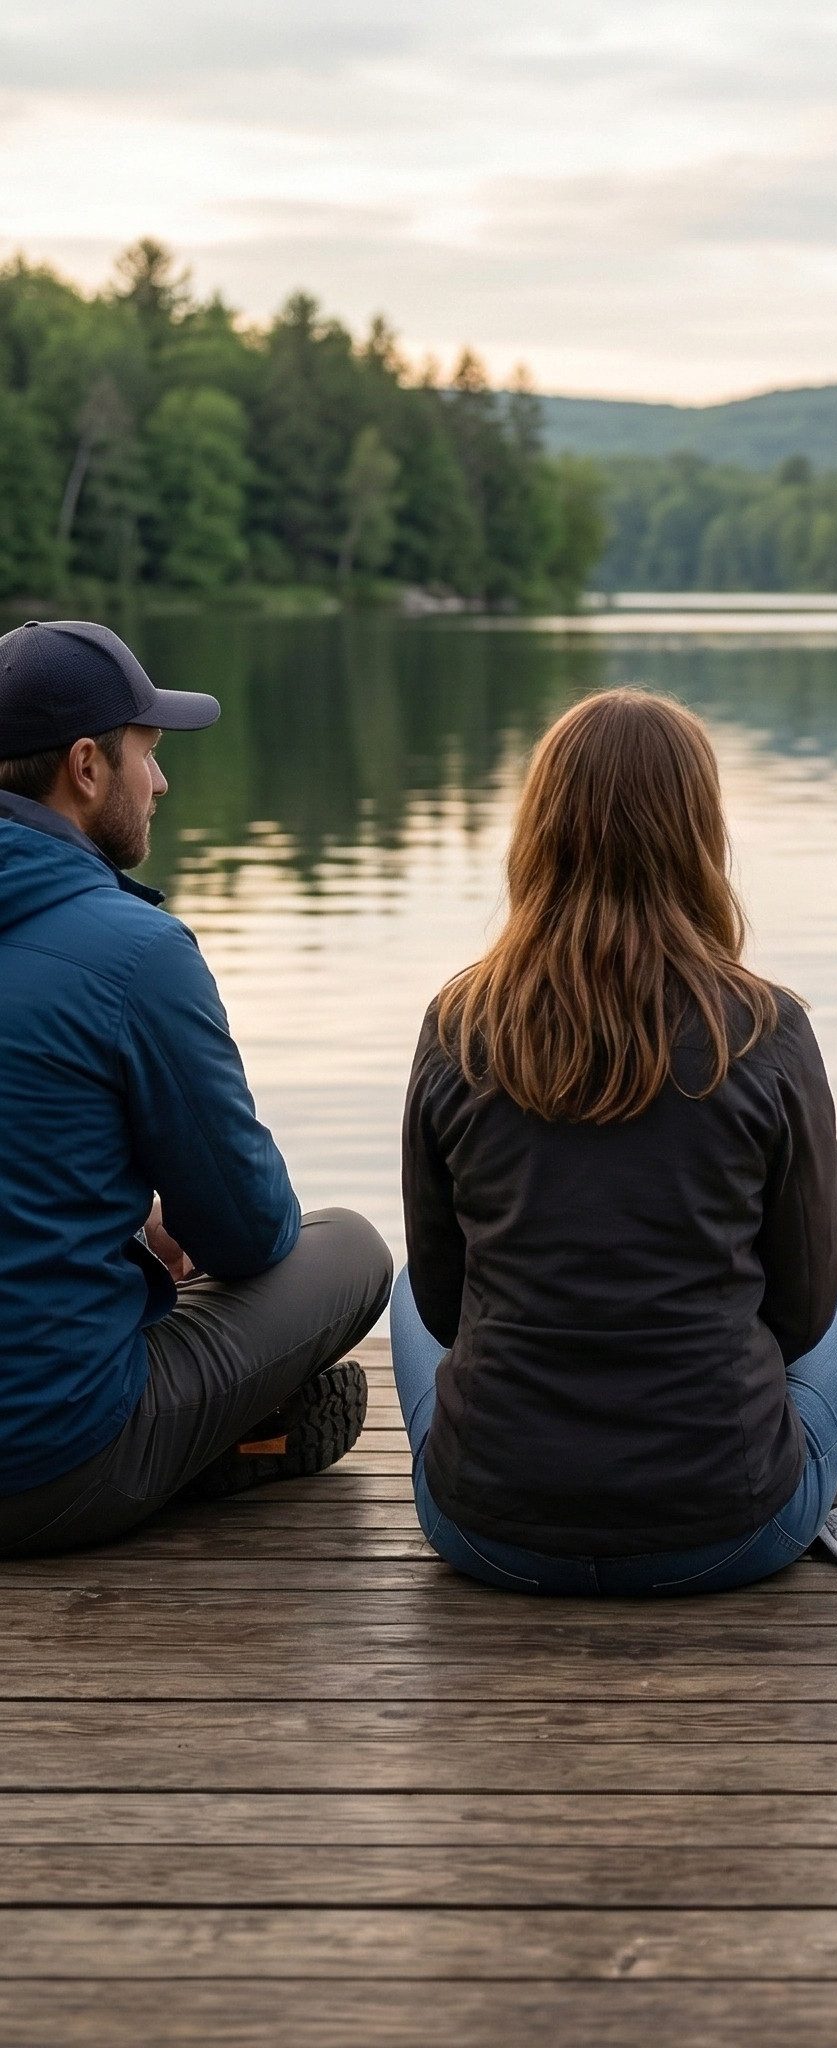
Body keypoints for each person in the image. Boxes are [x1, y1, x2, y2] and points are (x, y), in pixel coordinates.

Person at [394, 687, 837, 1594]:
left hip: (484, 1532)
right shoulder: (765, 1028)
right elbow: (802, 1312)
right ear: (699, 837)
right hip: (728, 1529)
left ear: (538, 833)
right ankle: (816, 1442)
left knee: (399, 1284)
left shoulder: (460, 1023)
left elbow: (442, 1303)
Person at [0, 620, 392, 1558]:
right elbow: (249, 1236)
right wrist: (171, 1226)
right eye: (151, 754)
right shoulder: (132, 953)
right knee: (352, 1249)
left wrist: (122, 1235)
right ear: (87, 766)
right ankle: (224, 1439)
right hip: (47, 1470)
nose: (162, 783)